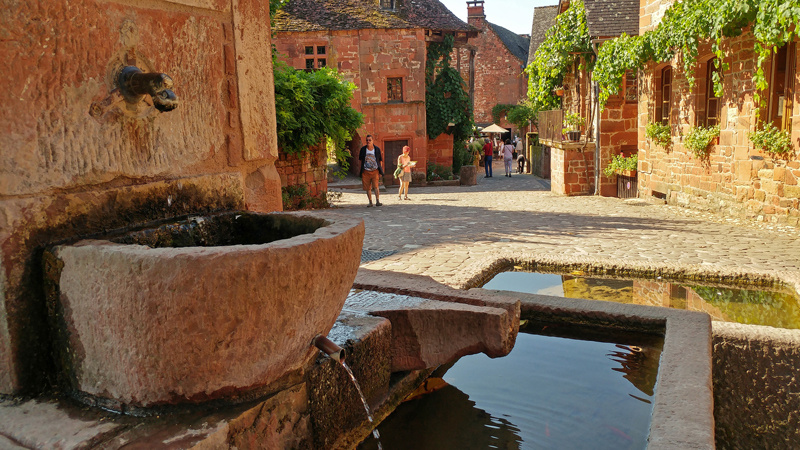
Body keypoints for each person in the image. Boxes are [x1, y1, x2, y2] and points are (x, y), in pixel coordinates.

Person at [358, 135, 383, 207]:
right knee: (367, 187)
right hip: (366, 171)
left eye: (369, 140)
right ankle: (370, 202)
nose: (368, 141)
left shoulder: (377, 149)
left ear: (372, 141)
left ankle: (377, 201)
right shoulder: (363, 149)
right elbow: (360, 160)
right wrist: (362, 169)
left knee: (376, 186)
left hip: (375, 171)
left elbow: (380, 160)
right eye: (367, 140)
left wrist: (380, 170)